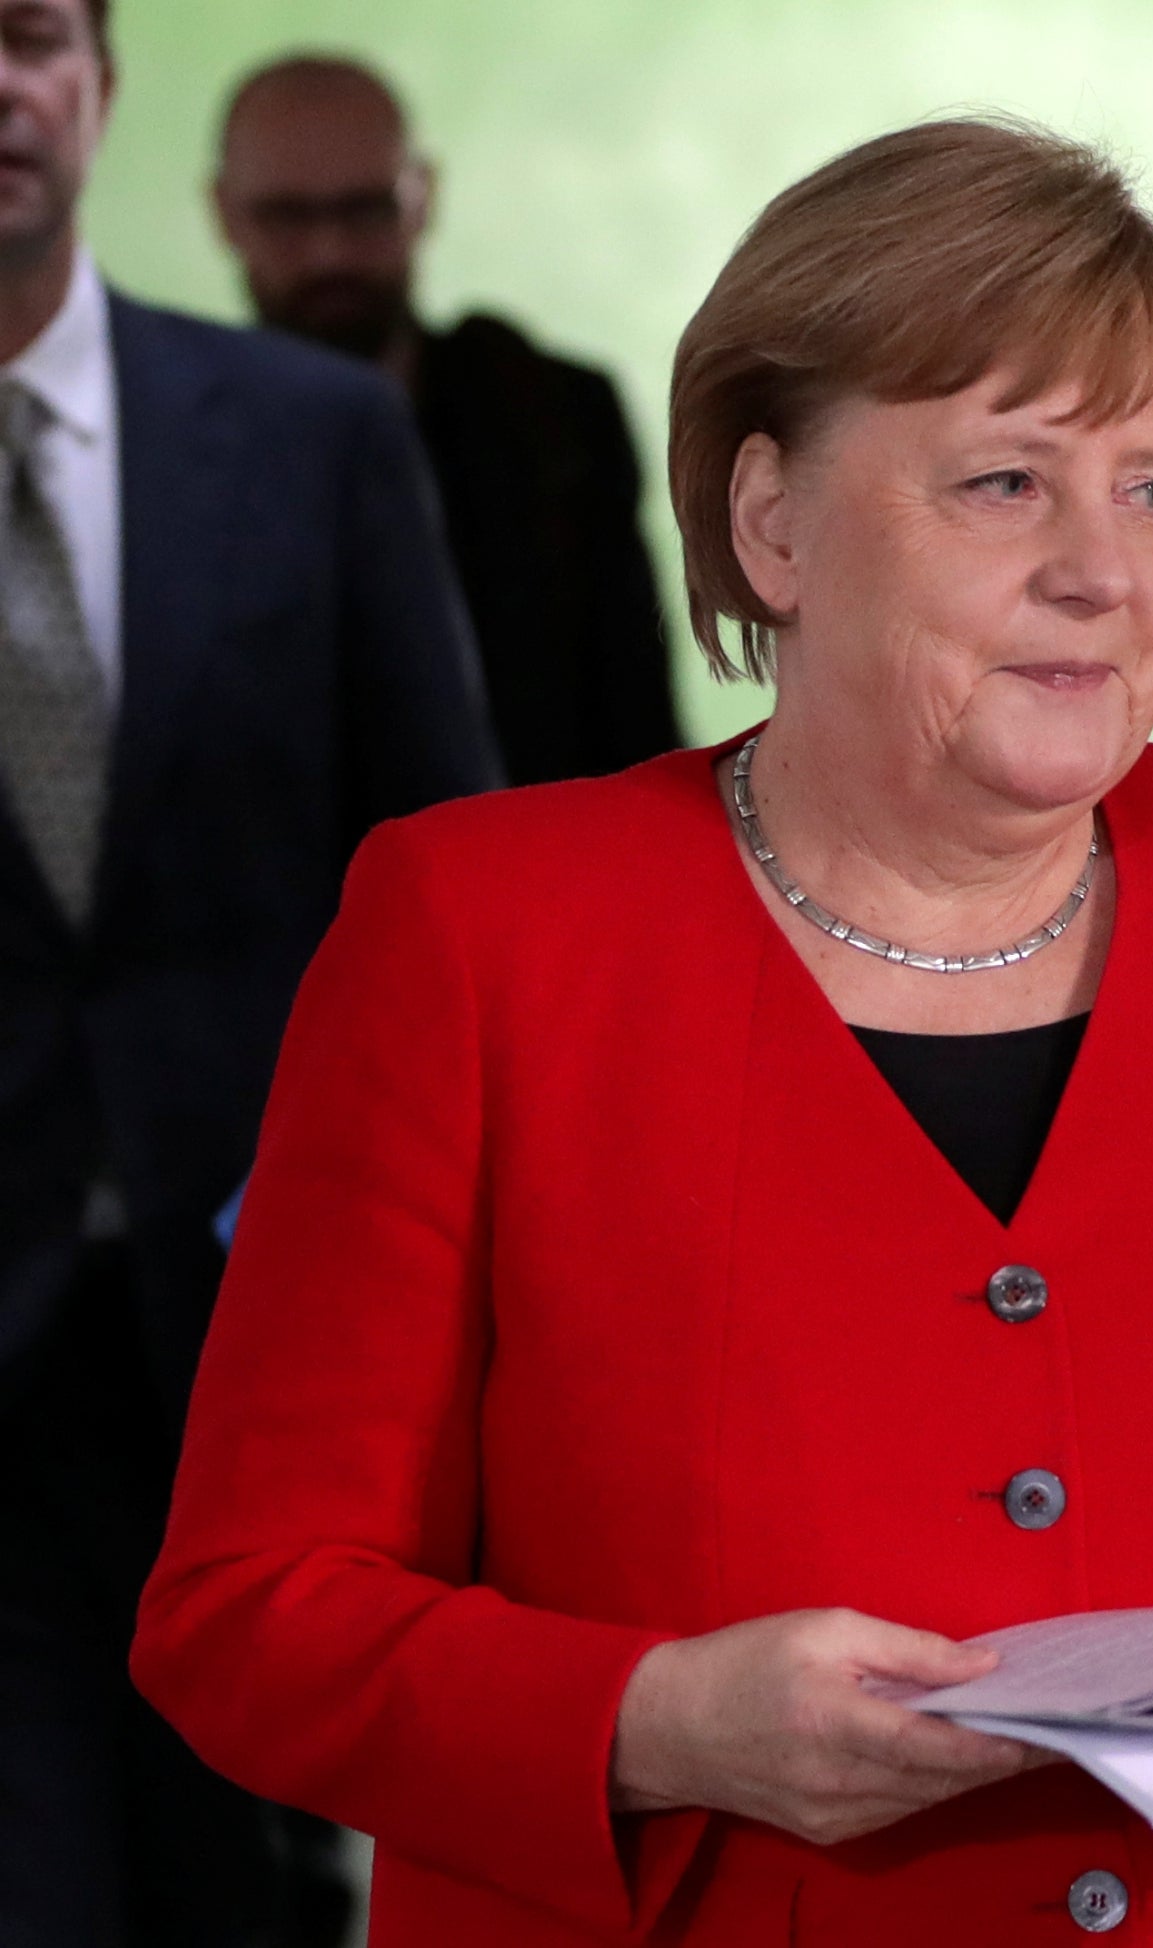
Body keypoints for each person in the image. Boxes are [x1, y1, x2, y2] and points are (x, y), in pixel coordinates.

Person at [131, 117, 1153, 1944]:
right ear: (770, 522)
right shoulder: (480, 930)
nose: (1105, 570)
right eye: (1007, 482)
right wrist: (653, 1721)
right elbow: (252, 1612)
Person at [0, 1, 499, 1942]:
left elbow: (443, 878)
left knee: (254, 1867)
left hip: (267, 1283)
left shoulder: (311, 434)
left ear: (103, 85)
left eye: (32, 33)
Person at [213, 54, 682, 786]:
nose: (329, 253)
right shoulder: (170, 451)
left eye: (364, 210)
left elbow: (635, 722)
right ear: (225, 214)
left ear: (421, 198)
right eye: (288, 216)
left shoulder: (554, 423)